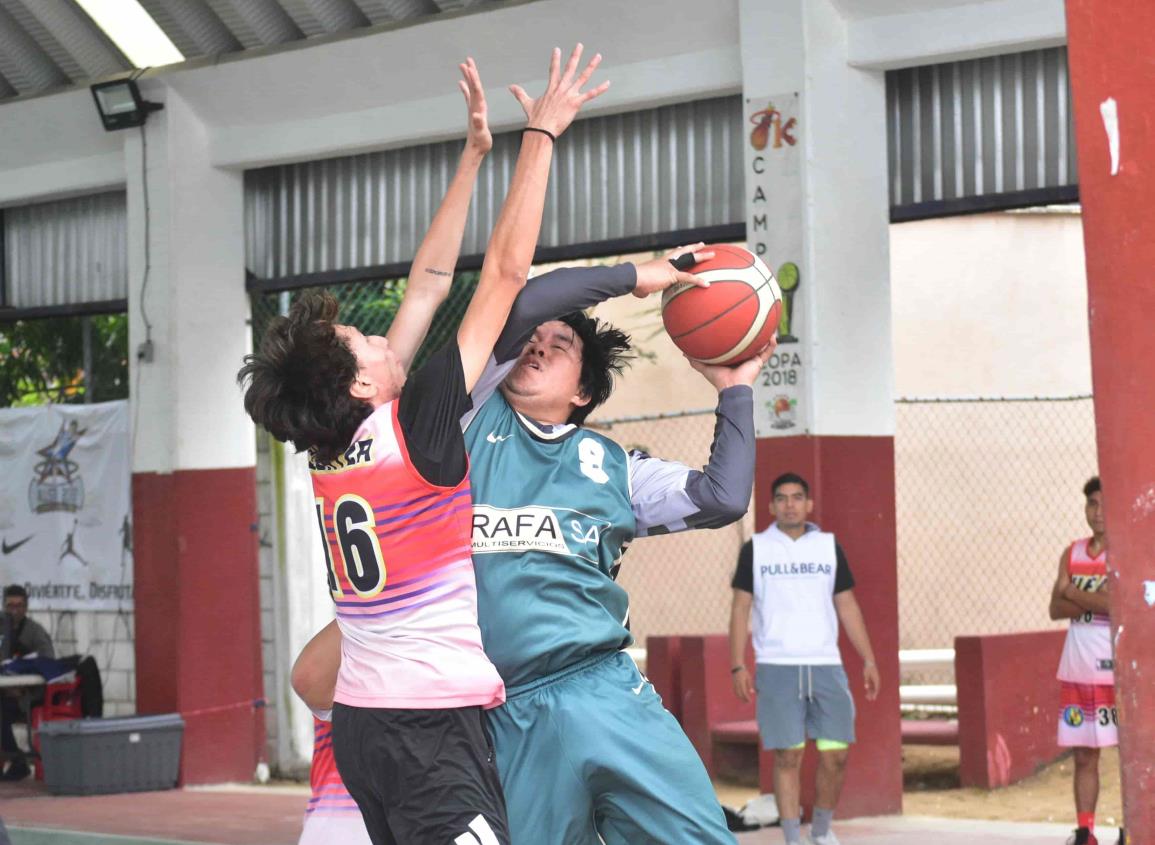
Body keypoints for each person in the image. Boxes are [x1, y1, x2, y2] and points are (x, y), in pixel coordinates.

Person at [239, 47, 609, 845]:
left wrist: (474, 155)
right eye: (367, 342)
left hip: (367, 723)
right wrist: (539, 135)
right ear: (365, 386)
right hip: (427, 731)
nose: (382, 337)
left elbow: (428, 282)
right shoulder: (416, 430)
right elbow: (504, 273)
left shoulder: (332, 447)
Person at [728, 473, 880, 845]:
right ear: (771, 506)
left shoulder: (828, 547)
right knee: (788, 756)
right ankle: (793, 839)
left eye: (797, 497)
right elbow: (740, 608)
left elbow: (847, 605)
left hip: (827, 665)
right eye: (782, 498)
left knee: (835, 754)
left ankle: (823, 833)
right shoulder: (757, 549)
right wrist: (738, 664)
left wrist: (869, 659)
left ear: (809, 504)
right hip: (777, 668)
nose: (790, 504)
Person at [1049, 476, 1122, 845]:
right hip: (1077, 668)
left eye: (1105, 504)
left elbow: (1117, 605)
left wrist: (1075, 592)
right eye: (1092, 504)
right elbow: (1054, 608)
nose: (1098, 512)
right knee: (1083, 755)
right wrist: (1092, 599)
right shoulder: (1072, 552)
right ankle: (1085, 831)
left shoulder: (1127, 551)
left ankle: (1133, 828)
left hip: (1116, 670)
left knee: (1128, 754)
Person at [1, 584, 56, 781]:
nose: (14, 611)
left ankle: (17, 762)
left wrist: (22, 686)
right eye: (10, 606)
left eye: (19, 606)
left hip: (27, 695)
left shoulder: (34, 631)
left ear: (26, 607)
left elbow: (48, 661)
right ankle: (14, 759)